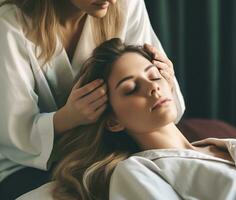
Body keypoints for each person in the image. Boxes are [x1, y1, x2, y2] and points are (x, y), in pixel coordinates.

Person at [18, 38, 236, 200]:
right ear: (113, 122)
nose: (152, 87)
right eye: (130, 88)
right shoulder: (135, 173)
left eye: (154, 76)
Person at [0, 0, 185, 199]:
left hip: (113, 149)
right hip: (29, 165)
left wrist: (164, 78)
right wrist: (68, 118)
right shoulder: (10, 26)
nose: (112, 1)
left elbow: (163, 102)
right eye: (130, 88)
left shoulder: (126, 4)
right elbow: (13, 133)